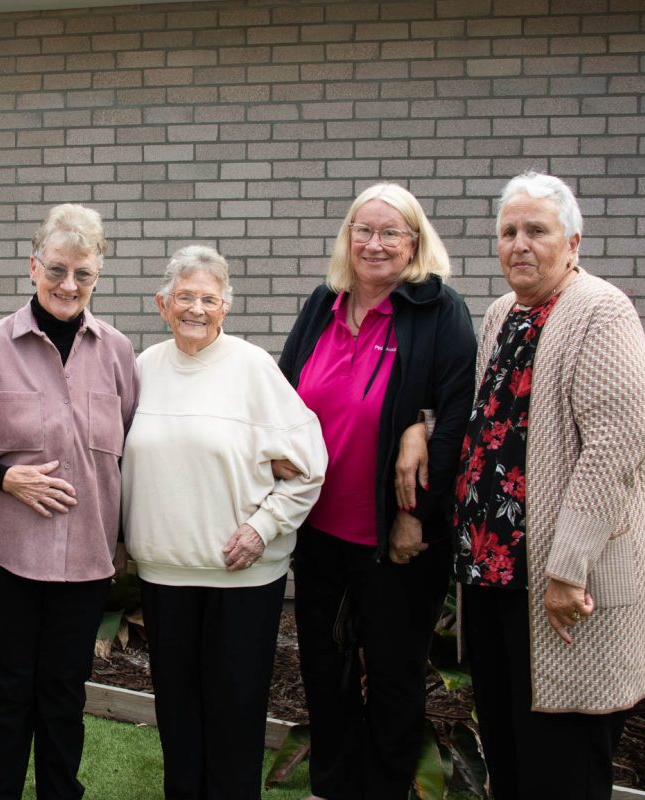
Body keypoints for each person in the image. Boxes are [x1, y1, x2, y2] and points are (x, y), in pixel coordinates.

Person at [416, 172, 645, 799]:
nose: (519, 244)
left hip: (565, 590)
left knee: (563, 766)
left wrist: (567, 569)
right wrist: (422, 430)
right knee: (511, 752)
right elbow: (487, 418)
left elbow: (615, 447)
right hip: (499, 580)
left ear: (573, 242)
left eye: (537, 231)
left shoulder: (600, 310)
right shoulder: (504, 314)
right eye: (508, 232)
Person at [277, 184, 477, 799]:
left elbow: (454, 418)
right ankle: (330, 786)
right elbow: (283, 392)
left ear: (414, 242)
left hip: (395, 533)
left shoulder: (438, 310)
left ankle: (387, 789)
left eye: (391, 232)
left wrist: (415, 516)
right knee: (323, 665)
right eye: (364, 230)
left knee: (392, 675)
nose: (375, 243)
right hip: (318, 528)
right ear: (347, 237)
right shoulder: (323, 303)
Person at [0, 203, 138, 800]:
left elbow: (128, 448)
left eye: (82, 274)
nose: (67, 285)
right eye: (56, 270)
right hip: (3, 556)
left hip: (84, 560)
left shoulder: (118, 353)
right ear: (32, 267)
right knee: (8, 687)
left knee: (64, 690)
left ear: (98, 275)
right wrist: (3, 477)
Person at [120, 245, 326, 799]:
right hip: (164, 574)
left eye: (208, 298)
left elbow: (310, 465)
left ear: (226, 308)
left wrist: (264, 526)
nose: (196, 308)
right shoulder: (142, 370)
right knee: (179, 715)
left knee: (236, 715)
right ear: (162, 304)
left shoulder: (253, 369)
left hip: (242, 576)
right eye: (185, 296)